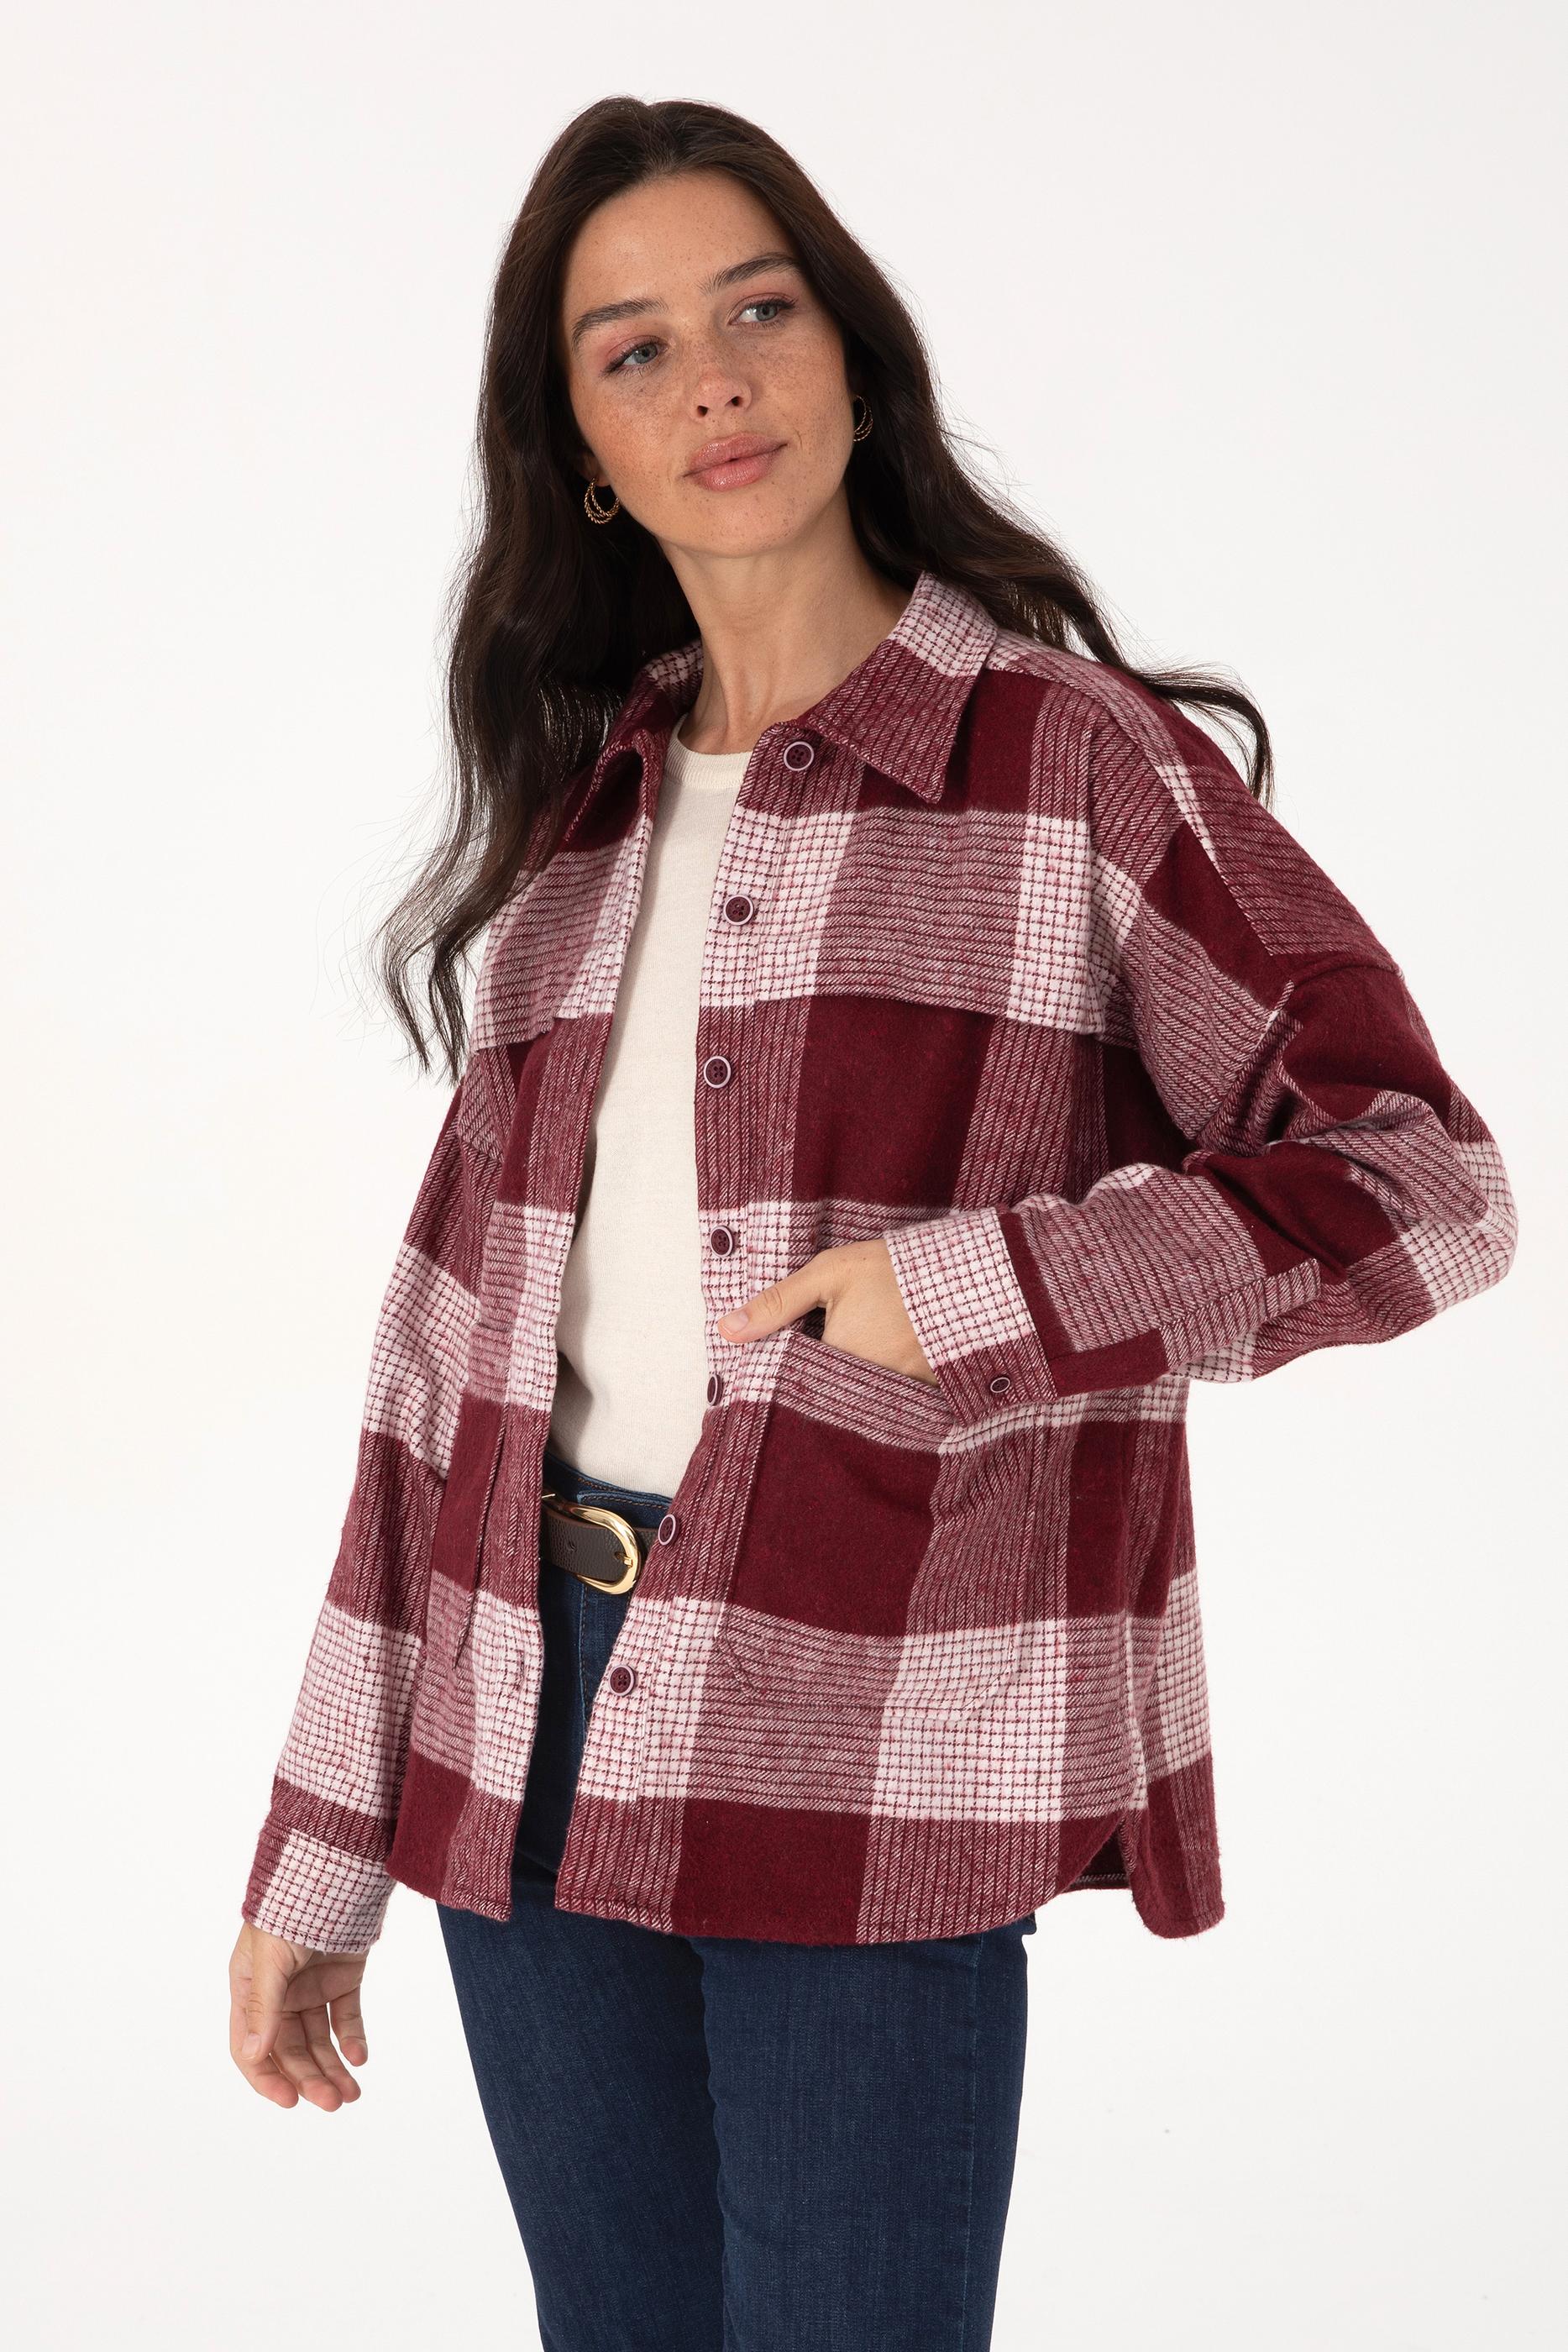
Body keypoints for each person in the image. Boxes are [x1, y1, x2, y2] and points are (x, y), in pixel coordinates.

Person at [228, 95, 1518, 2352]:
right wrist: (323, 1844)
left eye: (759, 311)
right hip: (517, 1724)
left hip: (869, 1716)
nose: (713, 382)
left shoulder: (1072, 764)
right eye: (633, 350)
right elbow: (436, 1379)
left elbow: (1421, 1180)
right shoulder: (580, 821)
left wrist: (979, 1294)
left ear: (851, 349)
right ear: (579, 450)